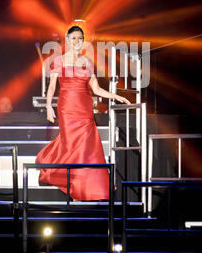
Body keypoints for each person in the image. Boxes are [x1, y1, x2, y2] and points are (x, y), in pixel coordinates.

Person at [35, 25, 131, 201]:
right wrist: (49, 106)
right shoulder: (59, 60)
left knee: (86, 148)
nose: (77, 42)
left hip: (85, 108)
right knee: (71, 144)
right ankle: (68, 178)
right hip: (67, 107)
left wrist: (116, 96)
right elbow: (51, 87)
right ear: (67, 39)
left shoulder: (87, 62)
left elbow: (96, 88)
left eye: (80, 38)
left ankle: (87, 186)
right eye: (74, 38)